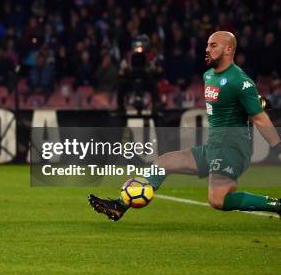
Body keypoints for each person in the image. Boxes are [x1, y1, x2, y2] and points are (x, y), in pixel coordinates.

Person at [89, 31, 281, 221]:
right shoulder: (209, 76)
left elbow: (259, 118)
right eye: (207, 45)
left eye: (213, 45)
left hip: (232, 149)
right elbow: (238, 105)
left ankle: (276, 205)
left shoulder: (240, 80)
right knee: (163, 163)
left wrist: (278, 147)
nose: (207, 49)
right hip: (213, 147)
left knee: (218, 200)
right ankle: (119, 206)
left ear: (229, 49)